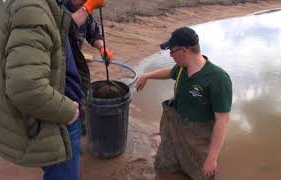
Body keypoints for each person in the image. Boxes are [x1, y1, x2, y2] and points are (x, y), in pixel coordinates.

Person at [0, 0, 107, 179]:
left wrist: (102, 47)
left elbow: (91, 32)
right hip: (60, 114)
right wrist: (67, 111)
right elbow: (26, 86)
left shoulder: (46, 6)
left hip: (60, 102)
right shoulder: (36, 8)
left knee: (61, 164)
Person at [136, 27, 232, 180]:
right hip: (174, 130)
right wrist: (147, 75)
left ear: (183, 50)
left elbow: (223, 120)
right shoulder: (182, 68)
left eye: (172, 51)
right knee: (163, 168)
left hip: (198, 139)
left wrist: (212, 159)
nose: (171, 55)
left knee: (202, 175)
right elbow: (169, 72)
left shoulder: (218, 79)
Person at [60, 0, 114, 135]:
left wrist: (102, 47)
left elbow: (93, 33)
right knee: (65, 101)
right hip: (58, 63)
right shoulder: (59, 6)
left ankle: (82, 126)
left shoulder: (85, 12)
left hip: (75, 61)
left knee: (83, 93)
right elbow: (63, 28)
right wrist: (88, 7)